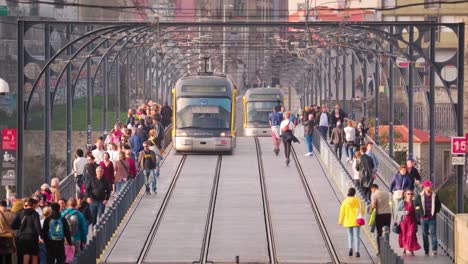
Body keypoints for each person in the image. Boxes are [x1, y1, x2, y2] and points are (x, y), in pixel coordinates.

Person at [12, 198, 43, 264]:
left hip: (22, 237)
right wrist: (41, 236)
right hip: (32, 237)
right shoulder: (35, 214)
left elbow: (13, 225)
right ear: (34, 204)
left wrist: (20, 227)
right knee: (34, 254)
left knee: (26, 254)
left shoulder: (20, 213)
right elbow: (37, 226)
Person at [414, 180, 441, 256]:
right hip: (424, 219)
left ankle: (434, 249)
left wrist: (435, 211)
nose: (430, 187)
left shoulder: (435, 195)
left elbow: (439, 204)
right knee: (425, 234)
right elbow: (415, 204)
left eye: (430, 185)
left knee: (433, 233)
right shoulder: (420, 196)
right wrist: (420, 212)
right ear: (425, 187)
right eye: (429, 186)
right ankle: (426, 250)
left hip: (432, 218)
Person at [338, 188, 364, 258]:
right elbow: (363, 211)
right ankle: (357, 252)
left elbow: (342, 212)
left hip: (348, 221)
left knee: (350, 236)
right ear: (354, 193)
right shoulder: (358, 201)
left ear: (348, 193)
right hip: (356, 222)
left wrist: (340, 221)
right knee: (357, 236)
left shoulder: (345, 201)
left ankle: (350, 249)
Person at [396, 189, 421, 256]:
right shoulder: (402, 202)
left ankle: (411, 248)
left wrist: (418, 209)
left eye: (411, 194)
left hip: (412, 221)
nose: (410, 195)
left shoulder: (414, 202)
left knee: (411, 235)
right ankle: (405, 248)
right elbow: (397, 211)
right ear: (405, 195)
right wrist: (404, 212)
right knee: (404, 235)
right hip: (404, 222)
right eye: (408, 194)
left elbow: (419, 209)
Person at [370, 184, 392, 255]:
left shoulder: (374, 195)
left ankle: (380, 250)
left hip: (379, 215)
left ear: (373, 189)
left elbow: (373, 205)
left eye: (372, 190)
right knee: (386, 231)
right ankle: (387, 248)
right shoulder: (386, 193)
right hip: (388, 214)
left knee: (379, 232)